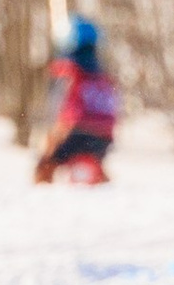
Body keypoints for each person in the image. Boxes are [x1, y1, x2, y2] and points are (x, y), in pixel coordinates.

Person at [33, 12, 120, 184]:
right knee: (94, 162)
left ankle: (42, 188)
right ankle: (98, 176)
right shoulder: (104, 78)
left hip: (74, 133)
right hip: (104, 138)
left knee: (45, 163)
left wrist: (51, 138)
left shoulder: (66, 72)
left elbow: (57, 108)